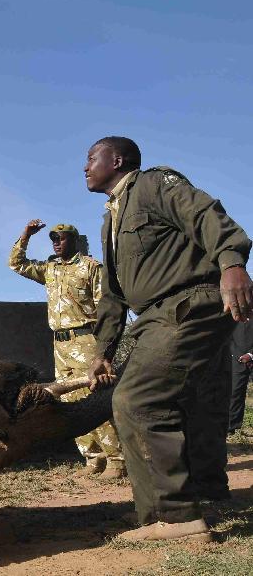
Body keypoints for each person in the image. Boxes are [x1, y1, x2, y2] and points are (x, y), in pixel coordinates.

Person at [85, 136, 253, 542]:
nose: (85, 166)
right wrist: (103, 350)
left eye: (92, 158)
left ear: (118, 160)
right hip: (156, 314)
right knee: (195, 400)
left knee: (138, 400)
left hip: (189, 302)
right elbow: (113, 293)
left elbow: (203, 213)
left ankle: (176, 518)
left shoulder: (152, 184)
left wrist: (231, 261)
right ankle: (205, 491)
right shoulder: (112, 218)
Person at [9, 220, 124, 479]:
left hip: (86, 339)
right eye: (53, 238)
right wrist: (25, 234)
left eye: (61, 238)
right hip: (60, 343)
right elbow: (17, 264)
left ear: (73, 240)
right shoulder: (50, 269)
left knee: (95, 397)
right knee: (69, 402)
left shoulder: (90, 267)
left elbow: (106, 306)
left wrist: (104, 347)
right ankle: (93, 458)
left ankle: (117, 460)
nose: (56, 242)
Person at [228, 321, 253, 434]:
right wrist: (237, 355)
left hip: (247, 356)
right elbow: (229, 336)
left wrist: (251, 354)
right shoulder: (237, 316)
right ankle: (231, 427)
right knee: (235, 393)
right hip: (238, 360)